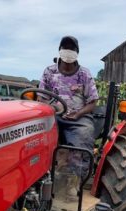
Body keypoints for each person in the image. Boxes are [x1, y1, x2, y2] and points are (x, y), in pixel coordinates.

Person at [38, 36, 99, 200]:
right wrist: (51, 109)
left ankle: (73, 183)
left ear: (76, 53)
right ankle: (38, 178)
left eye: (71, 48)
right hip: (53, 115)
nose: (68, 50)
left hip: (78, 118)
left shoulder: (84, 74)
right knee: (35, 135)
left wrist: (78, 114)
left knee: (83, 137)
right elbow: (41, 98)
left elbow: (93, 102)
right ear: (60, 50)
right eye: (65, 47)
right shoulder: (49, 72)